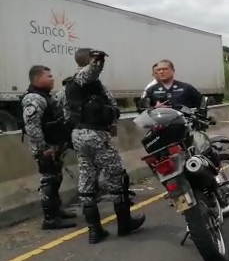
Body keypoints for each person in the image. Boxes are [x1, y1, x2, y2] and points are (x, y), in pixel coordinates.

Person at [64, 48, 145, 244]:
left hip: (80, 134)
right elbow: (91, 72)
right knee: (116, 177)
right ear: (86, 61)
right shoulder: (83, 78)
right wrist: (98, 59)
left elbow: (67, 113)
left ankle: (94, 231)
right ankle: (125, 224)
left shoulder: (69, 85)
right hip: (95, 134)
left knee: (87, 178)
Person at [20, 65, 77, 230]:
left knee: (56, 178)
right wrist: (42, 149)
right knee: (49, 181)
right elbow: (32, 127)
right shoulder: (34, 98)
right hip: (45, 149)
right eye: (49, 76)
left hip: (54, 146)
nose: (52, 78)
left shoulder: (45, 96)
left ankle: (56, 210)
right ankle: (50, 219)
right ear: (37, 79)